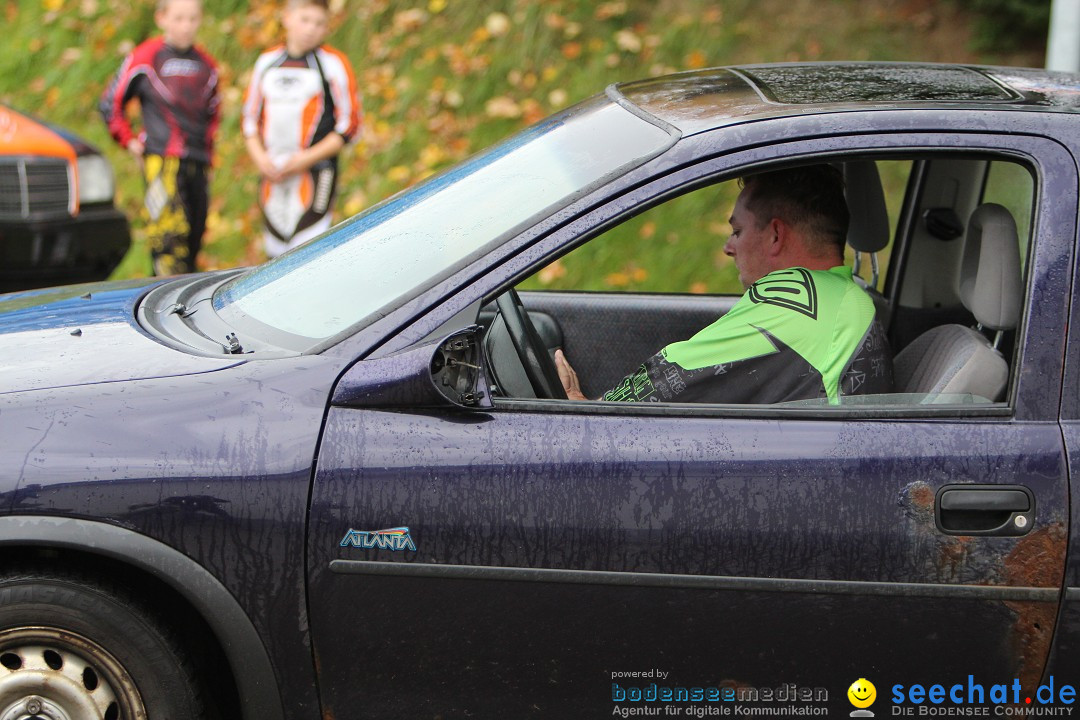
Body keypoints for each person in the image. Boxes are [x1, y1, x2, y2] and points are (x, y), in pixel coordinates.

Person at [555, 165, 894, 404]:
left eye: (737, 232)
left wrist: (579, 404)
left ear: (775, 235)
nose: (727, 247)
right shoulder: (840, 296)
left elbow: (676, 373)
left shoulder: (798, 307)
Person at [100, 0, 219, 276]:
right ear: (161, 18)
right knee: (167, 241)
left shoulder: (207, 66)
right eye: (178, 18)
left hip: (198, 163)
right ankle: (159, 311)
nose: (186, 26)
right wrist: (129, 140)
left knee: (193, 239)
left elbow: (213, 116)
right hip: (161, 162)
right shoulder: (145, 57)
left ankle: (189, 310)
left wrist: (210, 158)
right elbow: (110, 104)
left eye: (192, 19)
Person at [242, 0, 361, 258]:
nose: (311, 29)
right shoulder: (267, 62)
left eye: (319, 23)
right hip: (273, 171)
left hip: (315, 170)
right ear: (287, 17)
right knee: (275, 249)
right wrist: (261, 159)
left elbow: (349, 126)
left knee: (308, 249)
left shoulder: (333, 63)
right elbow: (249, 120)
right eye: (305, 20)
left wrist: (304, 159)